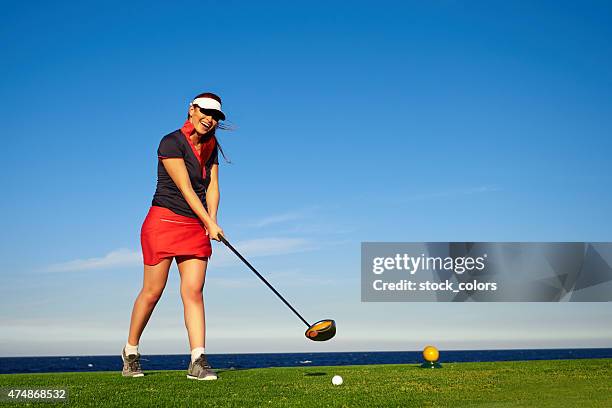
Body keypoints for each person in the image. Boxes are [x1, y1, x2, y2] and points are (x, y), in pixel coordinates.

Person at [121, 92, 227, 380]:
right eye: (205, 112)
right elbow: (186, 189)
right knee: (153, 292)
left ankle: (198, 360)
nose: (210, 119)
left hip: (195, 226)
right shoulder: (171, 142)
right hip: (164, 221)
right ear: (191, 110)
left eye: (215, 116)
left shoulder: (212, 145)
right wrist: (208, 221)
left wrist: (211, 221)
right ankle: (130, 351)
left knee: (193, 291)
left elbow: (213, 187)